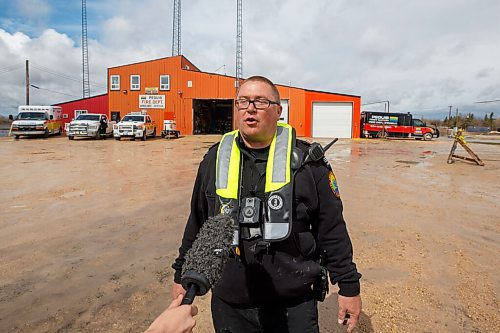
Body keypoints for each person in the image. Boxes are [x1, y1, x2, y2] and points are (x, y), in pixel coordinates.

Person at [172, 76, 362, 332]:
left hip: (293, 303)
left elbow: (332, 229)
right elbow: (197, 222)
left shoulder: (309, 163)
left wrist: (348, 286)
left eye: (261, 101)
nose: (250, 108)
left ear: (278, 110)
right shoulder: (214, 160)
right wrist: (181, 275)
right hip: (230, 303)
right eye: (243, 101)